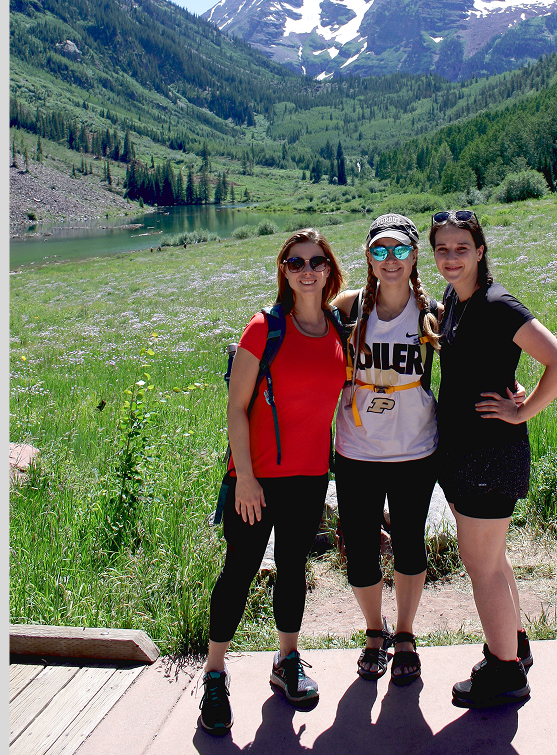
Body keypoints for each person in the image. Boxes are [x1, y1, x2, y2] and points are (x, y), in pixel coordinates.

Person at [427, 208, 557, 711]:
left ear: (480, 250)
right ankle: (514, 642)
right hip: (464, 453)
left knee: (483, 569)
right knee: (493, 560)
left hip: (489, 454)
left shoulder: (496, 304)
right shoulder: (456, 299)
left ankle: (505, 672)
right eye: (442, 249)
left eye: (461, 248)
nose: (451, 258)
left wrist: (524, 410)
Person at [200, 229, 348, 735]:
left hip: (309, 478)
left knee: (291, 569)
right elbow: (236, 408)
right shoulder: (264, 328)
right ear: (283, 270)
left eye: (317, 261)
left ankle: (287, 661)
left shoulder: (337, 329)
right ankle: (215, 675)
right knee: (239, 572)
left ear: (330, 269)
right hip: (256, 480)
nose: (307, 269)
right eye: (296, 261)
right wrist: (243, 479)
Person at [329, 213, 444, 685]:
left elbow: (468, 359)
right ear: (368, 256)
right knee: (359, 550)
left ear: (415, 256)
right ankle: (373, 632)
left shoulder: (433, 311)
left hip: (415, 450)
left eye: (400, 250)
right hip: (356, 450)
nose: (390, 260)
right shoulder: (348, 308)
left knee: (411, 546)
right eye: (380, 250)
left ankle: (405, 635)